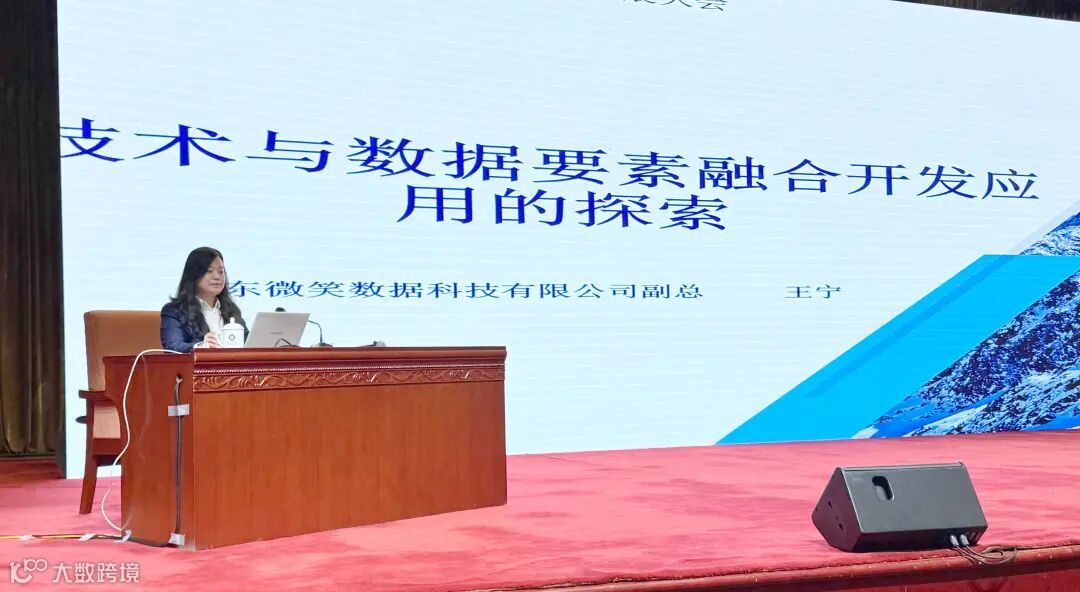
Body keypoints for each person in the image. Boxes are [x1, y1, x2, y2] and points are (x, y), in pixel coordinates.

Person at [161, 247, 248, 352]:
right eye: (209, 271)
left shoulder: (231, 310)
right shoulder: (174, 311)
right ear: (193, 275)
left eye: (221, 271)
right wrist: (201, 346)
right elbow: (172, 347)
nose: (217, 277)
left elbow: (248, 343)